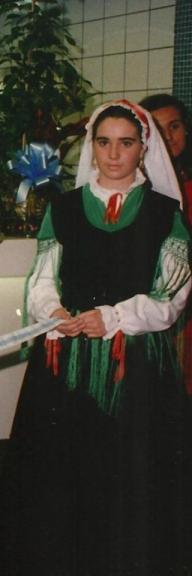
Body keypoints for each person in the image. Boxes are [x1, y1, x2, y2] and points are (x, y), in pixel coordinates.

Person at [0, 100, 192, 575]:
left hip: (134, 365)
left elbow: (172, 297)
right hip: (66, 361)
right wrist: (51, 311)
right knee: (60, 470)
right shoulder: (64, 207)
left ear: (143, 149)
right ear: (92, 149)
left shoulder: (165, 214)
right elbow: (42, 277)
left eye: (125, 143)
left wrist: (114, 317)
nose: (114, 154)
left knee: (129, 471)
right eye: (104, 143)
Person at [142, 94, 192, 401]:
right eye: (159, 130)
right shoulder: (137, 187)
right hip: (150, 305)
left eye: (175, 126)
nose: (169, 137)